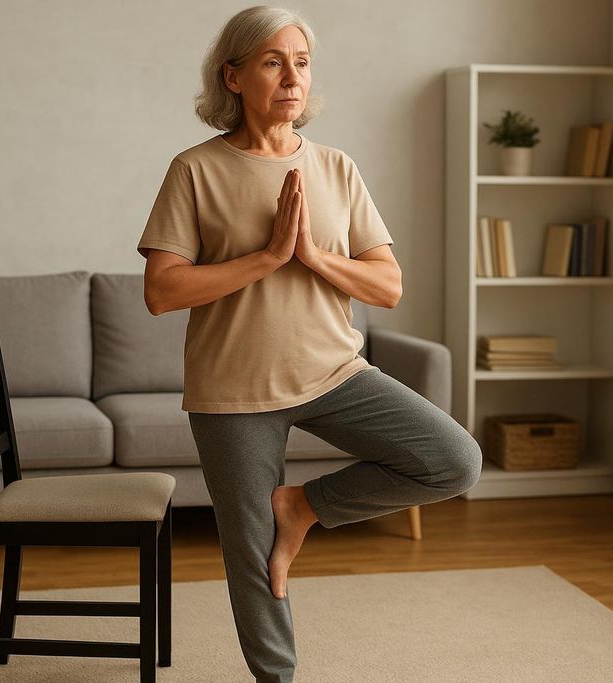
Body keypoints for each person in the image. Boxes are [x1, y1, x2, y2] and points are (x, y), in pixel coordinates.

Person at [136, 6, 482, 682]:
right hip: (233, 391)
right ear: (232, 76)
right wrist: (266, 259)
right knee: (254, 553)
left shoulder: (337, 168)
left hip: (334, 373)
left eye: (301, 61)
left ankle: (303, 506)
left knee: (454, 460)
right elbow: (162, 290)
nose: (292, 76)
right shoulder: (194, 170)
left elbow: (388, 285)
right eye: (273, 61)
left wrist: (315, 258)